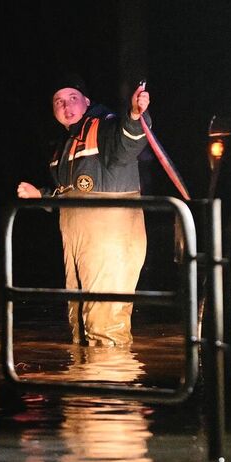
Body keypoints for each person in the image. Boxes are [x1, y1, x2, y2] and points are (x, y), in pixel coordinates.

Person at [17, 75, 150, 347]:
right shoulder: (64, 146)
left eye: (73, 98)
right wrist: (40, 195)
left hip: (111, 234)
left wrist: (135, 115)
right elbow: (68, 193)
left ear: (86, 101)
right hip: (77, 236)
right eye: (59, 101)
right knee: (79, 318)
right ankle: (84, 385)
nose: (66, 106)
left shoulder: (103, 125)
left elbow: (127, 144)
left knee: (106, 321)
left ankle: (110, 383)